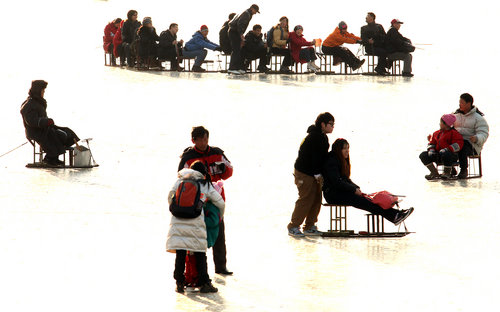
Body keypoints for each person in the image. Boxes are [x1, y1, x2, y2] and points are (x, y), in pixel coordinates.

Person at [178, 126, 233, 275]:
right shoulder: (188, 157)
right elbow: (180, 177)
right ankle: (195, 272)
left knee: (219, 234)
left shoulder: (217, 153)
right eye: (201, 139)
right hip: (196, 203)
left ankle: (221, 267)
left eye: (206, 138)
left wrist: (223, 170)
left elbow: (230, 170)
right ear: (193, 140)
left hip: (215, 200)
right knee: (196, 238)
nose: (204, 142)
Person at [322, 139, 414, 224]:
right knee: (363, 202)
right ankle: (395, 216)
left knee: (368, 200)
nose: (347, 151)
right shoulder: (332, 161)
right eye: (344, 149)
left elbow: (346, 179)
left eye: (348, 148)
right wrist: (353, 190)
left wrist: (356, 188)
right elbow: (337, 182)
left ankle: (396, 214)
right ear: (338, 150)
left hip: (340, 192)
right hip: (332, 195)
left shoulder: (339, 160)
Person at [166, 161, 225, 293]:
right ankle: (204, 283)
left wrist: (176, 209)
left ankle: (179, 283)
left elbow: (170, 196)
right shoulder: (204, 184)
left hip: (178, 220)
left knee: (180, 253)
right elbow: (219, 202)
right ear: (203, 173)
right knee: (199, 253)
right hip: (196, 221)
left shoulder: (180, 181)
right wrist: (220, 216)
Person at [288, 113, 334, 237]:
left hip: (313, 173)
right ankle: (293, 226)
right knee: (306, 198)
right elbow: (313, 158)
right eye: (330, 124)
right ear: (322, 124)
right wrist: (317, 173)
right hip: (304, 172)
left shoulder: (323, 137)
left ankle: (309, 226)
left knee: (317, 198)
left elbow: (321, 158)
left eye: (333, 124)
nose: (332, 127)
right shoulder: (314, 137)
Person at [20, 80, 79, 167]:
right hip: (35, 131)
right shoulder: (29, 104)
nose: (43, 93)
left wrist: (48, 122)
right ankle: (49, 158)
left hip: (43, 129)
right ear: (38, 91)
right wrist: (45, 121)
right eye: (42, 91)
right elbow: (31, 121)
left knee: (66, 133)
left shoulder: (38, 102)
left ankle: (54, 158)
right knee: (53, 136)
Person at [453, 93, 489, 179]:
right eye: (459, 102)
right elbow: (447, 127)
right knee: (446, 144)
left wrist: (476, 138)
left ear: (469, 104)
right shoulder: (455, 115)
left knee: (462, 146)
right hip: (457, 141)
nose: (459, 104)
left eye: (462, 103)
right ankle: (450, 168)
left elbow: (483, 133)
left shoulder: (478, 118)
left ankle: (463, 170)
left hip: (471, 144)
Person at [419, 114, 464, 180]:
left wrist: (448, 149)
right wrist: (431, 149)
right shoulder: (436, 133)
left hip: (450, 155)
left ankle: (447, 172)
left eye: (441, 122)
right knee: (423, 155)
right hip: (438, 154)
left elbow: (458, 144)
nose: (439, 124)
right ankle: (434, 172)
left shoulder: (454, 133)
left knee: (446, 154)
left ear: (446, 124)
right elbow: (432, 142)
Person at [228, 4, 260, 75]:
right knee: (236, 50)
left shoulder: (247, 13)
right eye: (255, 11)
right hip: (234, 32)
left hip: (235, 32)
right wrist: (241, 34)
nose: (255, 13)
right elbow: (240, 24)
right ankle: (232, 68)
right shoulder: (246, 14)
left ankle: (236, 67)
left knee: (238, 50)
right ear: (252, 8)